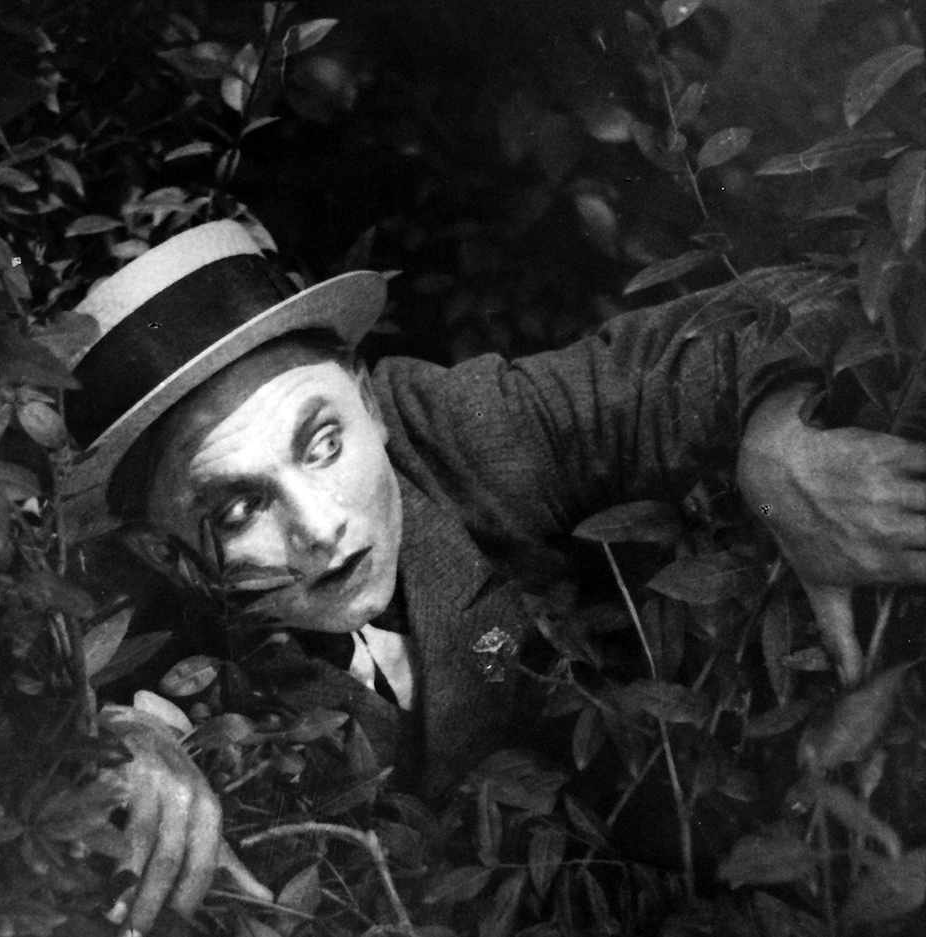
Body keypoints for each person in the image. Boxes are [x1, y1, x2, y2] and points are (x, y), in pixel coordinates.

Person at [59, 220, 926, 936]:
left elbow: (791, 304)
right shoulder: (150, 639)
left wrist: (775, 442)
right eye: (238, 507)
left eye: (322, 442)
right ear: (163, 552)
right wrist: (121, 743)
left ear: (368, 400)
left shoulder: (457, 434)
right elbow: (62, 726)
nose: (319, 529)